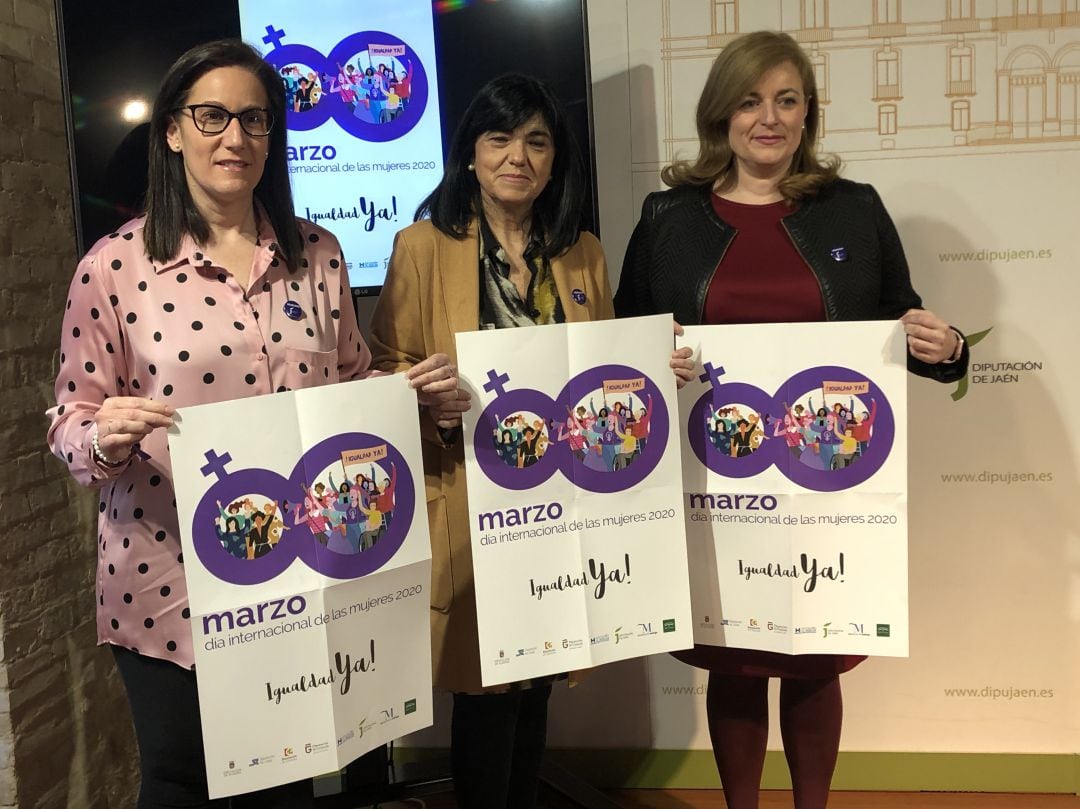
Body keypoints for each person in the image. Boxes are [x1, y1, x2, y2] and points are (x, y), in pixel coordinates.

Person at [45, 39, 454, 809]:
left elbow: (346, 383)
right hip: (166, 583)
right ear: (172, 130)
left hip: (299, 572)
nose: (236, 138)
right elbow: (70, 417)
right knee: (180, 779)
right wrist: (102, 436)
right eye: (212, 116)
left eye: (256, 120)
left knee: (290, 772)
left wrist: (404, 397)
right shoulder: (114, 266)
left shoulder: (319, 255)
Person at [613, 30, 969, 809]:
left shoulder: (853, 209)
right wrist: (651, 357)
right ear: (721, 115)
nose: (767, 118)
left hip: (826, 487)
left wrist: (947, 347)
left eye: (785, 100)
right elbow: (623, 340)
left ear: (808, 114)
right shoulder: (669, 216)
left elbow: (895, 324)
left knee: (814, 657)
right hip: (716, 481)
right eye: (749, 101)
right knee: (735, 660)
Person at [369, 74, 614, 809]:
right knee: (487, 686)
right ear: (470, 153)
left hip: (564, 500)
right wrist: (430, 400)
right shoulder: (422, 246)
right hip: (473, 496)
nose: (518, 156)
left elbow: (603, 369)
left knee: (541, 676)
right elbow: (388, 363)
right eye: (500, 138)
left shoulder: (582, 252)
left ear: (554, 159)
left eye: (537, 141)